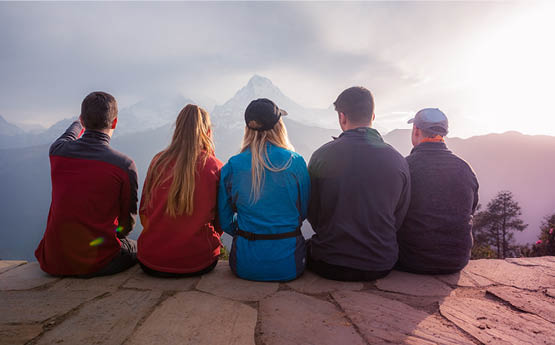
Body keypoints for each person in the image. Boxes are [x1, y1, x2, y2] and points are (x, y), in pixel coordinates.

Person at [307, 86, 410, 281]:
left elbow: (313, 212)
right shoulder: (398, 161)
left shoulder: (321, 156)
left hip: (328, 262)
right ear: (373, 116)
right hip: (381, 262)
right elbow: (398, 216)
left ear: (342, 117)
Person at [35, 91, 138, 277]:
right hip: (97, 262)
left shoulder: (57, 152)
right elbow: (127, 223)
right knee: (136, 248)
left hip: (53, 260)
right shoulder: (123, 165)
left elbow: (69, 135)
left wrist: (78, 122)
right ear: (114, 123)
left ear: (82, 120)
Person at [218, 98, 309, 282]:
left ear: (247, 129)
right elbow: (304, 210)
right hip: (288, 263)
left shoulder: (233, 166)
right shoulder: (295, 162)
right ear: (279, 127)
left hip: (245, 263)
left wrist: (243, 230)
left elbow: (224, 218)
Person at [138, 104, 223, 277]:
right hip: (199, 261)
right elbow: (221, 223)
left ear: (177, 129)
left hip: (151, 261)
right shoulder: (215, 167)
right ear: (207, 132)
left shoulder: (158, 162)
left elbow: (144, 213)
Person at [397, 108, 479, 274]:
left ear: (416, 131)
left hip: (411, 259)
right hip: (456, 260)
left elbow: (393, 214)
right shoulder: (465, 168)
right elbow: (470, 210)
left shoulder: (406, 167)